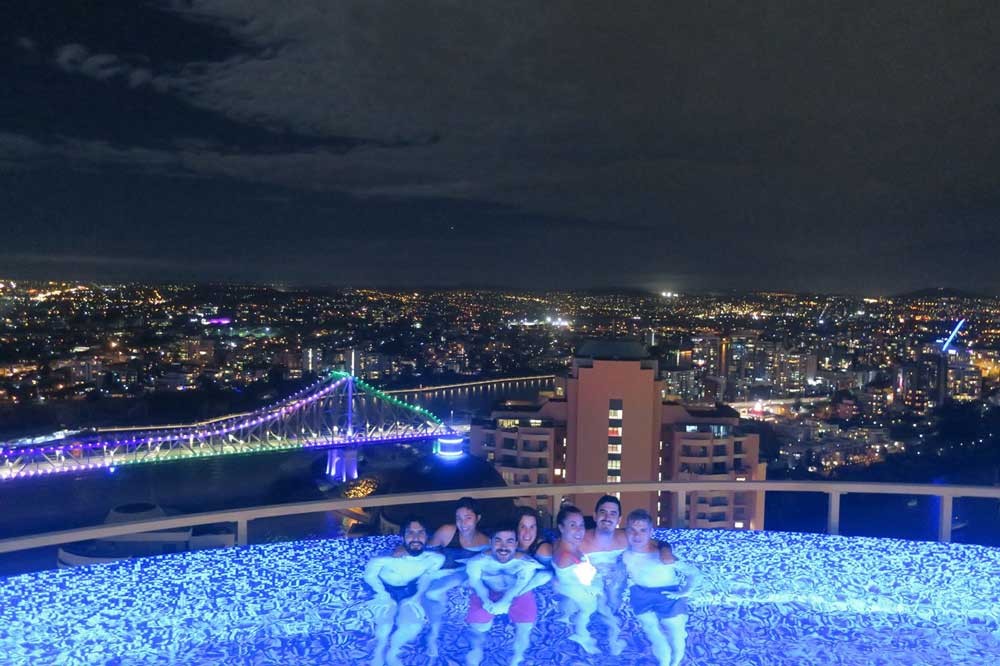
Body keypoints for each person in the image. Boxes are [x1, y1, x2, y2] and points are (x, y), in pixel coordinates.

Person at [622, 508, 701, 666]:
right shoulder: (624, 552)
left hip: (668, 594)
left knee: (676, 634)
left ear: (651, 532)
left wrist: (685, 592)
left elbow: (695, 574)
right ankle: (665, 662)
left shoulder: (664, 555)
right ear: (626, 531)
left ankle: (675, 662)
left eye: (643, 530)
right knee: (654, 633)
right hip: (641, 594)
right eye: (632, 530)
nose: (637, 535)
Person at [363, 516, 445, 666]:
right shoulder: (385, 558)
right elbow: (370, 577)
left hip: (409, 591)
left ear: (427, 536)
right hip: (383, 589)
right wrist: (383, 594)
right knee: (384, 626)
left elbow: (427, 577)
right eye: (410, 533)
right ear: (403, 537)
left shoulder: (435, 559)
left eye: (420, 533)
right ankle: (379, 650)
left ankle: (393, 652)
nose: (415, 538)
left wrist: (417, 596)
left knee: (413, 626)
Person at [464, 525, 543, 666]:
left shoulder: (526, 563)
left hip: (517, 593)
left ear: (516, 544)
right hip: (487, 590)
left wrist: (505, 602)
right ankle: (476, 652)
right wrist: (486, 601)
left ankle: (517, 659)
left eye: (510, 541)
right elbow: (475, 582)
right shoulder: (477, 562)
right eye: (498, 541)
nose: (503, 546)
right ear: (490, 542)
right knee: (479, 629)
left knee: (525, 628)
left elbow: (520, 585)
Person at [422, 497, 490, 656]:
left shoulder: (485, 542)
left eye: (468, 518)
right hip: (444, 572)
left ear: (478, 518)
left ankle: (470, 643)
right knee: (429, 594)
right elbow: (427, 553)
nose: (463, 523)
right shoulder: (446, 532)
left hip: (463, 576)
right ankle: (434, 634)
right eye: (458, 518)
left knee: (434, 592)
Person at [551, 504, 607, 654]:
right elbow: (584, 576)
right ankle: (580, 635)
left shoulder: (564, 545)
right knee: (590, 608)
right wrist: (594, 587)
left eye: (581, 525)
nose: (579, 530)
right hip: (573, 589)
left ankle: (569, 618)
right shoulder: (567, 556)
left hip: (568, 587)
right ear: (561, 528)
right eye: (573, 525)